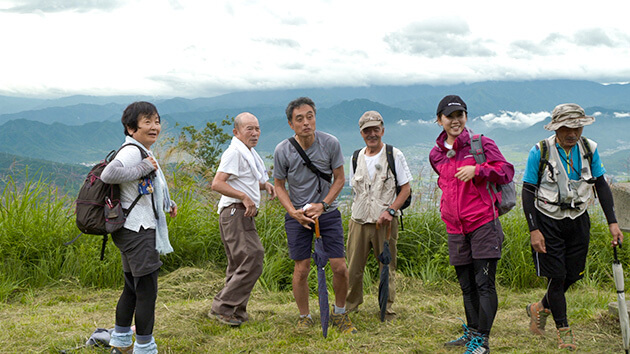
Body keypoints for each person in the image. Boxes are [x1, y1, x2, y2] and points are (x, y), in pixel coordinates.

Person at [521, 103, 623, 350]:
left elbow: (601, 185)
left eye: (576, 127)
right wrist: (534, 229)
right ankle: (564, 332)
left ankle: (539, 307)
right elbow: (527, 190)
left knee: (572, 274)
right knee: (556, 277)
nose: (572, 133)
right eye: (566, 127)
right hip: (547, 220)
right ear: (556, 127)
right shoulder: (540, 151)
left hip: (578, 218)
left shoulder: (589, 149)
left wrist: (613, 222)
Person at [429, 95, 514, 354]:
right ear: (439, 120)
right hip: (455, 227)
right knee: (466, 285)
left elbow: (506, 171)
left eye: (460, 115)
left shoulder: (481, 144)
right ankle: (473, 332)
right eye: (449, 116)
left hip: (483, 223)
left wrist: (478, 171)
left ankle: (483, 342)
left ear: (466, 117)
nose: (455, 121)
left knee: (484, 283)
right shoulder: (436, 154)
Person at [273, 97, 357, 334]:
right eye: (299, 119)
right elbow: (279, 185)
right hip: (298, 215)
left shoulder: (330, 143)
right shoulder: (283, 150)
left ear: (315, 117)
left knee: (339, 266)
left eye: (310, 116)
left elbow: (340, 178)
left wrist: (323, 204)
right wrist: (292, 212)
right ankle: (304, 315)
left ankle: (339, 313)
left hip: (328, 213)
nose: (306, 122)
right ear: (291, 124)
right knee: (302, 268)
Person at [101, 101, 177, 354]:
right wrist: (144, 167)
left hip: (132, 228)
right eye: (147, 122)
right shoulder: (133, 151)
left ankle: (121, 343)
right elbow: (109, 174)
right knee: (146, 291)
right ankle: (145, 348)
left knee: (132, 288)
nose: (155, 126)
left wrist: (168, 202)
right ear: (131, 128)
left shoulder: (141, 148)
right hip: (138, 230)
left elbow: (145, 188)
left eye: (156, 121)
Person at [210, 112, 275, 326]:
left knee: (239, 263)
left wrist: (264, 185)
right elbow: (217, 184)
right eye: (249, 129)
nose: (255, 133)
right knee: (253, 257)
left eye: (257, 128)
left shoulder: (247, 153)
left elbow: (243, 182)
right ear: (236, 132)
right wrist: (245, 197)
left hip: (239, 213)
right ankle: (222, 307)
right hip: (235, 212)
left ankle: (235, 312)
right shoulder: (234, 153)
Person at [346, 110, 412, 320]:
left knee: (387, 267)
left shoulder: (394, 154)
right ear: (361, 133)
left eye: (376, 129)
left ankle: (387, 309)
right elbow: (354, 189)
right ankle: (350, 306)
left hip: (385, 222)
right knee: (354, 267)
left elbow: (406, 188)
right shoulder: (356, 157)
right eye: (367, 130)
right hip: (358, 220)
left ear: (383, 130)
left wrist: (391, 211)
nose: (372, 134)